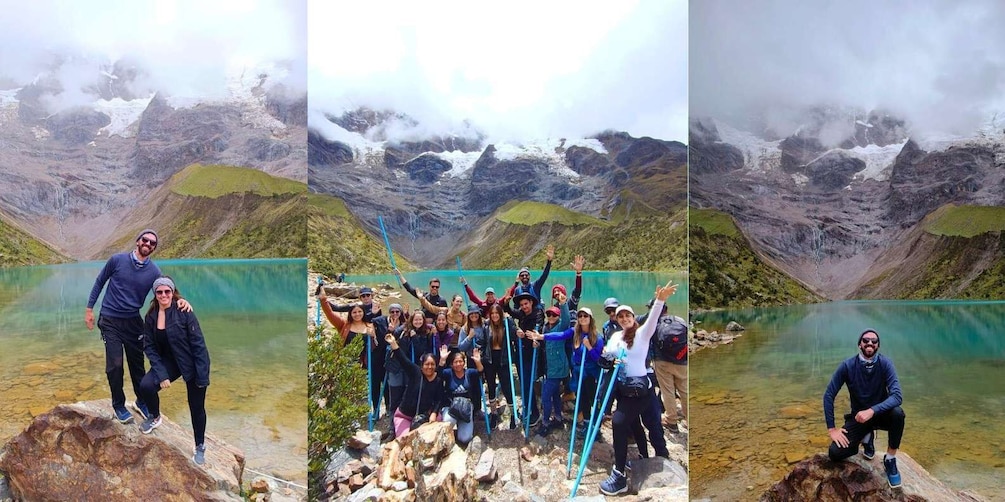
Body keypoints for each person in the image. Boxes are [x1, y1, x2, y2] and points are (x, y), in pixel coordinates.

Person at [85, 229, 192, 424]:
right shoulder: (117, 260)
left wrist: (181, 301)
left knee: (137, 364)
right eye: (145, 240)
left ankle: (141, 401)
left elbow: (165, 291)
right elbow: (100, 282)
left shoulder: (154, 271)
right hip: (110, 320)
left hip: (133, 321)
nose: (148, 244)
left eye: (153, 243)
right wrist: (89, 310)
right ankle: (118, 403)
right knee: (115, 365)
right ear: (137, 241)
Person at [598, 281, 676, 496]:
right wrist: (605, 359)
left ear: (633, 318)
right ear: (617, 318)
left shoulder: (641, 334)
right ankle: (641, 457)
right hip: (624, 389)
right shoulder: (615, 336)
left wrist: (660, 300)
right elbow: (609, 356)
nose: (624, 319)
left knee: (618, 422)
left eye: (627, 316)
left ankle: (619, 476)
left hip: (640, 390)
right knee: (633, 424)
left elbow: (652, 320)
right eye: (620, 316)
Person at [137, 276, 211, 465]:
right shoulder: (151, 316)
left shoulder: (183, 310)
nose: (163, 295)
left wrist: (202, 375)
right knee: (146, 386)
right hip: (169, 362)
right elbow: (150, 347)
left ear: (173, 292)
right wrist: (161, 374)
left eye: (167, 291)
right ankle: (154, 416)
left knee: (196, 406)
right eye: (159, 292)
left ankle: (200, 445)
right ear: (155, 294)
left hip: (190, 361)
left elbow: (199, 344)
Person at [823, 329, 905, 488]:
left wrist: (872, 410)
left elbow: (897, 396)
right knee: (835, 453)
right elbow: (829, 395)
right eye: (866, 340)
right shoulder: (847, 366)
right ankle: (866, 438)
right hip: (859, 418)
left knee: (898, 413)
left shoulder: (885, 363)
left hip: (881, 414)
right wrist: (832, 428)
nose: (870, 343)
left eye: (874, 341)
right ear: (859, 344)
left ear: (878, 346)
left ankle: (890, 459)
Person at [527, 296, 571, 436]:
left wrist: (563, 304)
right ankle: (558, 418)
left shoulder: (561, 326)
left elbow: (567, 319)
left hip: (557, 368)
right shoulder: (545, 327)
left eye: (554, 315)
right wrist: (537, 343)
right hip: (548, 367)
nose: (551, 316)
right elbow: (544, 344)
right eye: (549, 314)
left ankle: (545, 423)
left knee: (546, 396)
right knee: (555, 395)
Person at [386, 332, 444, 438]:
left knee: (435, 428)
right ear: (421, 366)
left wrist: (434, 413)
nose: (429, 367)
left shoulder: (438, 378)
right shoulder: (415, 372)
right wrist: (393, 343)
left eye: (432, 364)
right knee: (405, 440)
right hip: (405, 416)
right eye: (427, 364)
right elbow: (403, 360)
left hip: (424, 416)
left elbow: (439, 399)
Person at [503, 291, 544, 426]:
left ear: (531, 302)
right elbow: (508, 310)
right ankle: (527, 408)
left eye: (526, 304)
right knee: (523, 381)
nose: (524, 306)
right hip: (521, 352)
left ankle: (535, 413)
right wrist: (506, 301)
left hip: (532, 353)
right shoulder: (521, 313)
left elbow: (538, 331)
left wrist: (531, 336)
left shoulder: (538, 314)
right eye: (522, 305)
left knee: (528, 383)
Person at [649, 301, 689, 433]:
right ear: (666, 309)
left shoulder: (653, 324)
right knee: (684, 391)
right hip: (682, 360)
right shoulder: (680, 320)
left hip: (662, 362)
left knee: (668, 391)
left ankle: (671, 421)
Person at [481, 304, 519, 429]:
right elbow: (482, 341)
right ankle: (493, 413)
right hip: (490, 360)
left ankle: (513, 414)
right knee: (491, 387)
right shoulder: (486, 325)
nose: (494, 315)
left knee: (507, 388)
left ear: (500, 314)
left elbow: (514, 336)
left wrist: (511, 320)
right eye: (492, 313)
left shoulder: (506, 324)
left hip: (504, 359)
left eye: (497, 313)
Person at [437, 346, 484, 446]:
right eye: (455, 362)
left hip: (465, 408)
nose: (458, 364)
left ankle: (461, 427)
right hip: (451, 407)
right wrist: (442, 360)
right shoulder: (449, 373)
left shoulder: (469, 373)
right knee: (448, 421)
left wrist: (478, 361)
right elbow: (438, 374)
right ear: (452, 364)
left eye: (460, 361)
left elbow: (480, 372)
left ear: (464, 362)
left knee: (464, 438)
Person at [506, 244, 555, 308]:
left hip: (537, 315)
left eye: (526, 275)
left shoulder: (535, 285)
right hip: (525, 314)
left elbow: (544, 276)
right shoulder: (517, 290)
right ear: (519, 278)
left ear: (529, 276)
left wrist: (549, 261)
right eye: (522, 275)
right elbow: (516, 306)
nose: (524, 276)